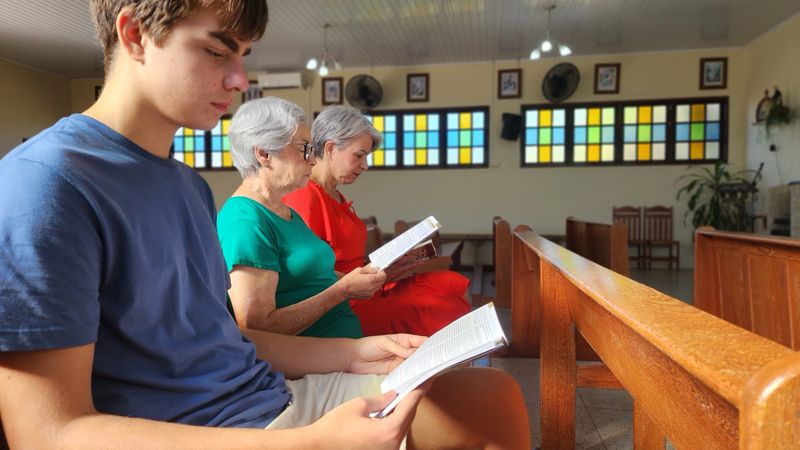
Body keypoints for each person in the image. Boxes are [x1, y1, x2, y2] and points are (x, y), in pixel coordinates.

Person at [0, 1, 531, 449]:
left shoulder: (186, 186)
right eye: (216, 50)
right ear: (136, 34)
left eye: (243, 55)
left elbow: (230, 334)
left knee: (492, 400)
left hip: (265, 395)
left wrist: (352, 351)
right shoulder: (46, 184)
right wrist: (312, 441)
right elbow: (47, 433)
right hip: (214, 431)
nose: (239, 80)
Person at [284, 105, 472, 336]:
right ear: (331, 149)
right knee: (444, 308)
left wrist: (386, 270)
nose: (365, 166)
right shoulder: (306, 196)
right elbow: (309, 275)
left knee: (452, 282)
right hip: (343, 304)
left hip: (364, 288)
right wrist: (371, 278)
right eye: (359, 155)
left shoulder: (334, 194)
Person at [218, 97, 386, 338]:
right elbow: (256, 329)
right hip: (315, 357)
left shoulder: (284, 211)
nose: (313, 159)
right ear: (264, 154)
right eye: (304, 148)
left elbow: (313, 275)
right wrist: (341, 291)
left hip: (342, 341)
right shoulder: (244, 222)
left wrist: (357, 279)